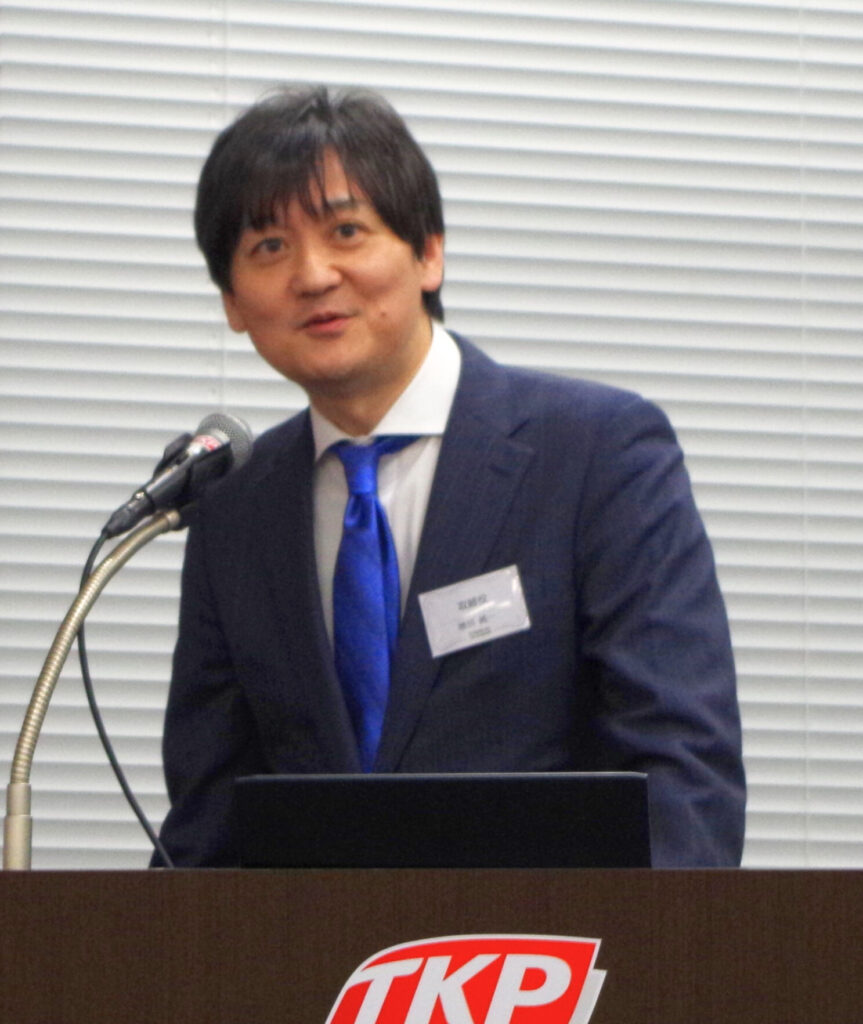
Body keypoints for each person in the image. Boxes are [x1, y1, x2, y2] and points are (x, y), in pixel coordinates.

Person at [155, 84, 746, 867]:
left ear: (428, 252)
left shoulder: (596, 455)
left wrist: (634, 943)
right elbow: (209, 816)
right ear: (232, 301)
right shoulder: (234, 503)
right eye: (268, 247)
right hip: (317, 948)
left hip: (551, 941)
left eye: (346, 231)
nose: (313, 274)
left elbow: (682, 771)